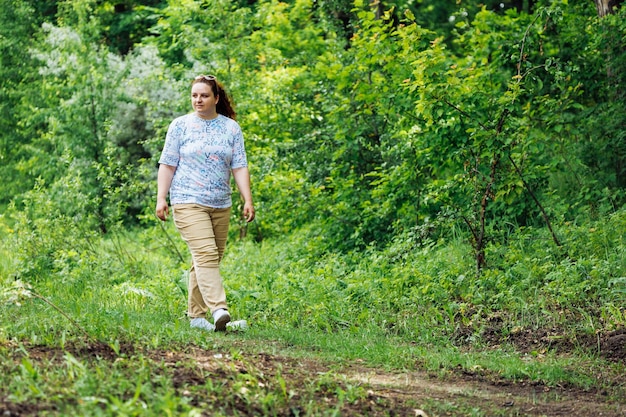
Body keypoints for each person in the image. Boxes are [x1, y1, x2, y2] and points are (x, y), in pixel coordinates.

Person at [156, 74, 255, 332]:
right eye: (194, 95)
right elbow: (167, 164)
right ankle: (219, 309)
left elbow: (239, 165)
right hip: (187, 200)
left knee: (207, 259)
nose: (198, 100)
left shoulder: (231, 128)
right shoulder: (180, 126)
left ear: (216, 98)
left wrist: (247, 199)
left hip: (220, 203)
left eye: (204, 95)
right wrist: (161, 198)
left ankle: (196, 317)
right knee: (206, 254)